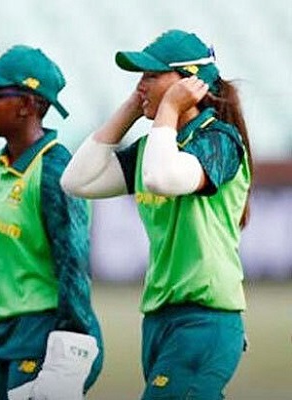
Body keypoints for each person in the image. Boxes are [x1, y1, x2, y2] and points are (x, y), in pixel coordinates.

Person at [61, 29, 251, 399]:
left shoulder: (219, 139)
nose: (141, 85)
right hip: (159, 321)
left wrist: (167, 109)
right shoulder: (155, 146)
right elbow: (76, 181)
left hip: (204, 319)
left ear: (189, 83)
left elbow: (161, 178)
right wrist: (132, 109)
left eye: (151, 75)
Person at [0, 45, 103, 400]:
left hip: (45, 329)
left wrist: (71, 338)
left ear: (27, 104)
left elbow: (72, 262)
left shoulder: (56, 169)